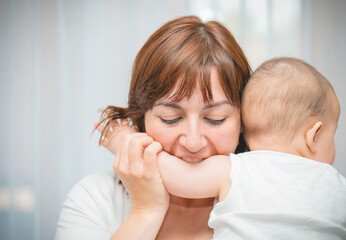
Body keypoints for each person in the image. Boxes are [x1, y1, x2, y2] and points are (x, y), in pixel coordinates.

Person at [55, 15, 251, 239]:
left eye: (215, 119)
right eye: (170, 118)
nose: (193, 142)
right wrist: (146, 211)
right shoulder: (94, 199)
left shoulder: (268, 192)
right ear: (141, 118)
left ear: (244, 120)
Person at [152, 57, 346, 239]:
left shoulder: (233, 170)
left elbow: (171, 174)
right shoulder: (344, 191)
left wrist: (129, 139)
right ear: (313, 135)